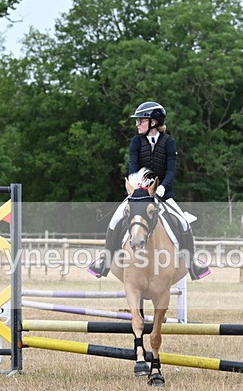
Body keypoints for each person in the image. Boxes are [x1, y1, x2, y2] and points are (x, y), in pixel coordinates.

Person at [87, 101, 210, 280]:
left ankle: (192, 264)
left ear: (153, 122)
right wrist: (137, 187)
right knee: (114, 221)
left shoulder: (169, 143)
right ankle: (105, 261)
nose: (137, 124)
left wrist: (161, 188)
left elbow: (171, 171)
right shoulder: (136, 142)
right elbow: (133, 168)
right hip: (139, 195)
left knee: (184, 223)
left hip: (163, 195)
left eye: (141, 120)